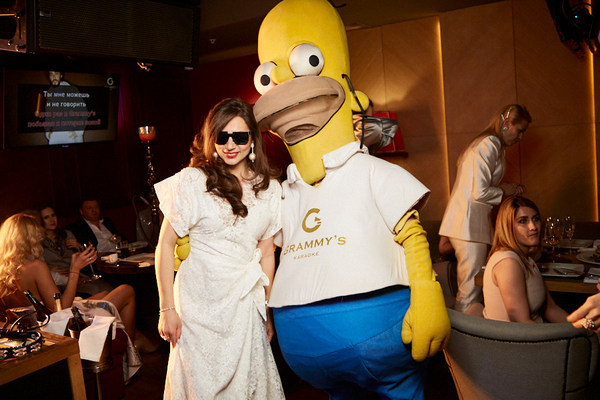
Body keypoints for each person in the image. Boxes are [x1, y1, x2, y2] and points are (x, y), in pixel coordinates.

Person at [252, 1, 449, 398]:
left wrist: (427, 294)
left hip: (377, 323)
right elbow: (264, 246)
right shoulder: (285, 190)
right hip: (306, 340)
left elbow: (411, 234)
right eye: (268, 78)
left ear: (355, 101)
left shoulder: (371, 172)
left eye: (307, 62)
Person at [154, 98, 285, 399]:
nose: (230, 145)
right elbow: (165, 245)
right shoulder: (192, 181)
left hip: (244, 304)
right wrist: (166, 309)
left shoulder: (270, 189)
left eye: (239, 137)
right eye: (222, 136)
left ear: (252, 139)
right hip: (196, 307)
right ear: (212, 139)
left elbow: (267, 254)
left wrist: (267, 310)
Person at [439, 104, 531, 313]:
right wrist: (505, 190)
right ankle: (462, 334)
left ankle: (467, 330)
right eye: (520, 130)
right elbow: (479, 192)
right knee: (470, 291)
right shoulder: (490, 143)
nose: (521, 137)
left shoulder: (489, 143)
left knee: (472, 289)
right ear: (507, 123)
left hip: (469, 224)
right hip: (469, 225)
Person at [0, 213, 137, 340]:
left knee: (104, 294)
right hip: (58, 329)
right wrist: (75, 270)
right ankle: (129, 347)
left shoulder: (3, 269)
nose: (40, 239)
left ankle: (132, 342)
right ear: (28, 239)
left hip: (33, 328)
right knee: (126, 290)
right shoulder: (36, 266)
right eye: (36, 235)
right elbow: (60, 310)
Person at [482, 196, 568, 323]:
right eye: (523, 221)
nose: (533, 227)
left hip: (534, 331)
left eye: (536, 219)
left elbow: (550, 309)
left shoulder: (527, 259)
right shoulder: (508, 263)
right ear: (508, 227)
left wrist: (583, 328)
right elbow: (522, 324)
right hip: (520, 335)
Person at [37, 204, 113, 296]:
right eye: (46, 217)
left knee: (107, 287)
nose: (51, 220)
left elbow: (86, 258)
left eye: (53, 215)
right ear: (40, 221)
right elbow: (36, 266)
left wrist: (79, 246)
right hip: (58, 281)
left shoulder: (66, 234)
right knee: (94, 289)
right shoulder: (38, 241)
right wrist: (49, 271)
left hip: (78, 274)